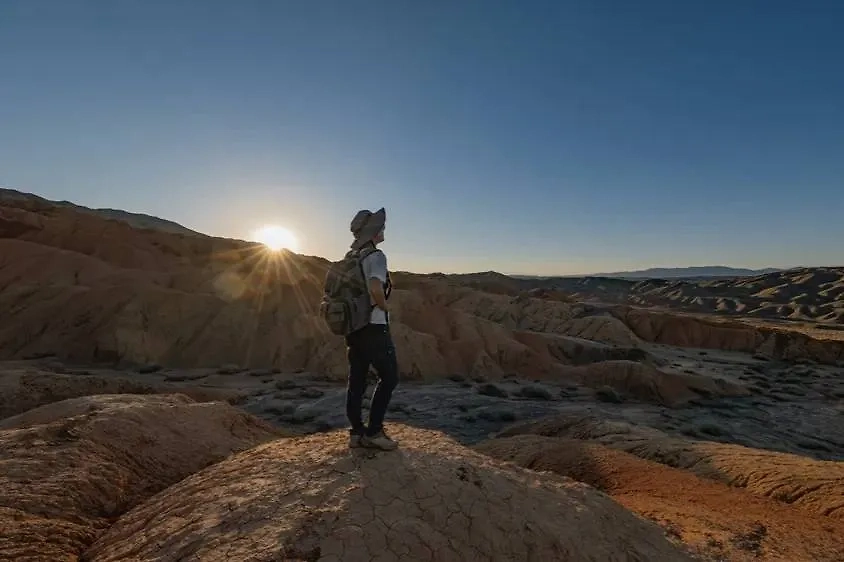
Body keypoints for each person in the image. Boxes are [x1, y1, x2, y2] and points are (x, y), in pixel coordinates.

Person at [345, 207, 398, 450]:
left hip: (353, 328)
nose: (384, 230)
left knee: (357, 379)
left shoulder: (352, 257)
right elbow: (376, 286)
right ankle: (374, 432)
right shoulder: (376, 256)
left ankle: (356, 433)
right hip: (374, 328)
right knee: (389, 378)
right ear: (374, 232)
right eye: (381, 227)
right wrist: (385, 307)